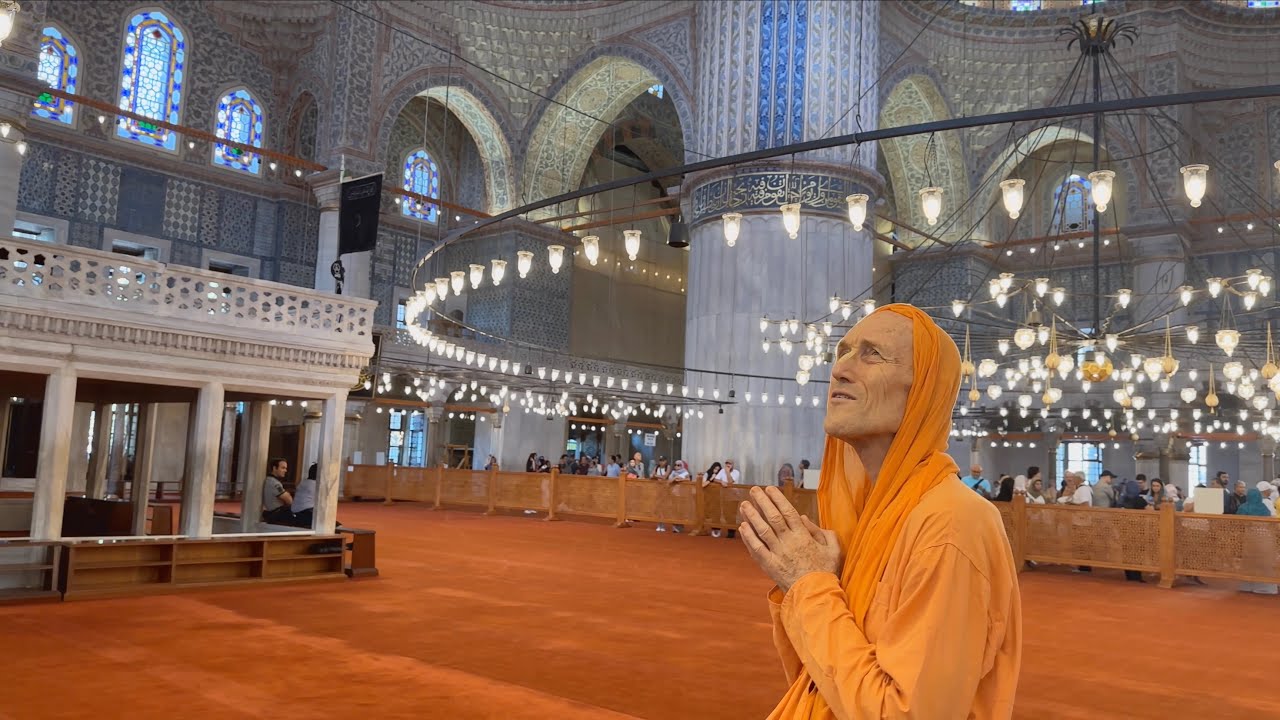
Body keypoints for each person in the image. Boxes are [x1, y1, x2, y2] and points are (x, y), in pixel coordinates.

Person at [738, 304, 1020, 719]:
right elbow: (824, 682)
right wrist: (817, 584)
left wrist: (809, 585)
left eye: (872, 354)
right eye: (843, 352)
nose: (840, 370)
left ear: (921, 390)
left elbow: (903, 713)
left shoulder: (951, 522)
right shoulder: (869, 514)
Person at [1236, 488, 1278, 595]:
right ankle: (1264, 588)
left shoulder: (1243, 508)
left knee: (1248, 563)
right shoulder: (1264, 507)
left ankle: (1247, 586)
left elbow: (1237, 522)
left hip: (1249, 537)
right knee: (1264, 564)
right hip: (1264, 538)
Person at [262, 458, 294, 525]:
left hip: (274, 514)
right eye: (283, 468)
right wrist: (288, 494)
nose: (285, 470)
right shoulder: (274, 483)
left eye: (286, 468)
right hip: (275, 514)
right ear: (274, 468)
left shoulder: (270, 480)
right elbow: (289, 500)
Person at [288, 462, 318, 528]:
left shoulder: (303, 482)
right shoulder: (316, 485)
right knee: (334, 525)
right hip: (305, 513)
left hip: (295, 512)